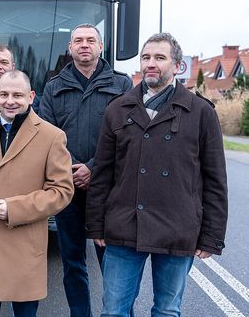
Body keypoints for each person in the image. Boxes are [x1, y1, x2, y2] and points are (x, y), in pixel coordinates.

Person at [86, 33, 228, 316]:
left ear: (177, 66)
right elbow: (102, 173)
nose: (151, 64)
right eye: (146, 58)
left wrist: (211, 235)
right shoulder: (117, 109)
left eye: (160, 58)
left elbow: (215, 180)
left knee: (166, 310)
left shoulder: (201, 112)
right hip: (124, 225)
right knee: (113, 311)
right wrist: (96, 225)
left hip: (178, 227)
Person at [0, 70, 74, 317]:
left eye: (18, 95)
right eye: (5, 94)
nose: (11, 100)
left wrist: (12, 209)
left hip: (24, 250)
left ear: (31, 96)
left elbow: (61, 191)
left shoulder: (52, 136)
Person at [39, 23, 132, 317]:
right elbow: (46, 135)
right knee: (73, 263)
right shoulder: (54, 86)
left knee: (113, 262)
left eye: (90, 40)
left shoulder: (122, 85)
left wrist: (92, 168)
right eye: (78, 40)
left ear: (100, 46)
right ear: (70, 48)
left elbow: (128, 134)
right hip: (68, 190)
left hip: (108, 189)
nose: (84, 45)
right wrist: (69, 170)